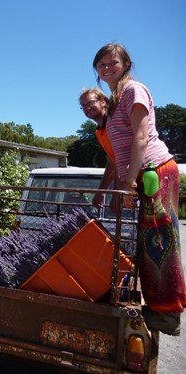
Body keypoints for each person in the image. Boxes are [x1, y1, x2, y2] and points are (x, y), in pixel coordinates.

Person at [92, 43, 186, 335]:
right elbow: (117, 153)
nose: (106, 68)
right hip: (143, 174)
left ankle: (168, 314)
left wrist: (130, 183)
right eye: (101, 65)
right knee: (149, 243)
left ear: (126, 64)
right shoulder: (116, 97)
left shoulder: (134, 90)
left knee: (160, 241)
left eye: (112, 63)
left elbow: (142, 137)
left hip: (153, 171)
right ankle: (160, 307)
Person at [78, 88, 119, 209]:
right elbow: (112, 162)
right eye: (83, 106)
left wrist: (117, 194)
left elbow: (122, 161)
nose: (87, 108)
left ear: (103, 102)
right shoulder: (99, 131)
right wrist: (100, 191)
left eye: (90, 103)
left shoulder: (115, 123)